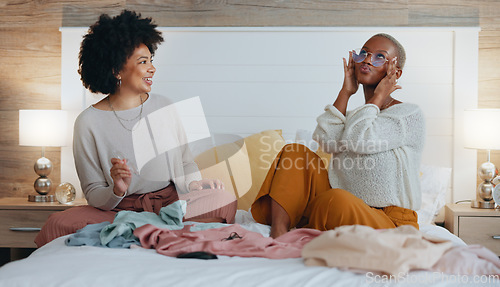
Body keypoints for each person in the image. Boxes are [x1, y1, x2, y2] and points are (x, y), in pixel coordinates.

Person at [35, 10, 236, 247]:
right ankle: (158, 230)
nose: (152, 68)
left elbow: (185, 162)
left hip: (171, 203)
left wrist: (193, 184)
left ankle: (141, 230)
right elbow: (93, 192)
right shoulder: (87, 122)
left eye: (151, 60)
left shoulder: (165, 106)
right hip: (118, 209)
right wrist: (117, 189)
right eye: (143, 62)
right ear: (116, 70)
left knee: (223, 199)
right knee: (58, 224)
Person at [251, 33, 425, 238]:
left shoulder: (407, 115)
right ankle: (278, 235)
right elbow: (326, 141)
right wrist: (346, 91)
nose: (367, 59)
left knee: (335, 200)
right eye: (364, 53)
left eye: (379, 56)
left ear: (395, 72)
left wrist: (379, 96)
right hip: (339, 205)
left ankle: (315, 225)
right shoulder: (358, 118)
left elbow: (361, 140)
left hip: (389, 221)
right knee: (294, 152)